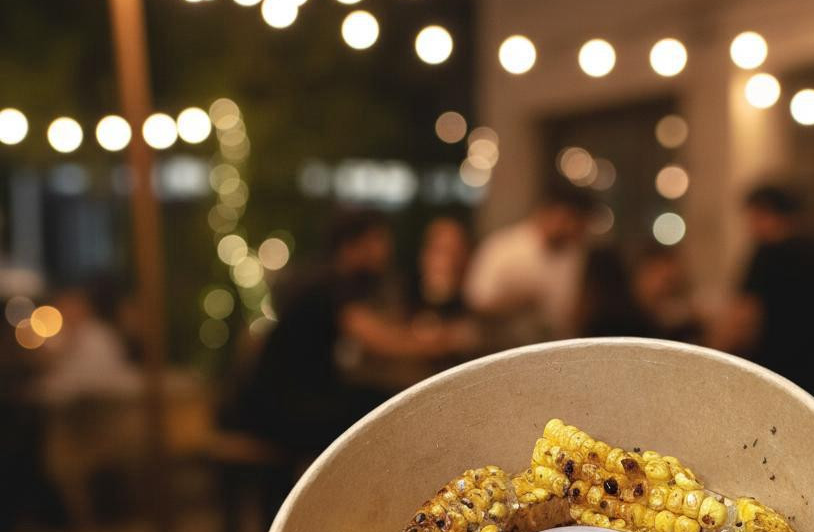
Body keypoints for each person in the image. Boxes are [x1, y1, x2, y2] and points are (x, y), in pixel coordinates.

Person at [222, 210, 473, 456]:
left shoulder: (322, 276)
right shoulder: (333, 284)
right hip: (275, 409)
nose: (385, 252)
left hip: (271, 402)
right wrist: (449, 340)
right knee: (382, 410)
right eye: (378, 241)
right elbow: (383, 341)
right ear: (354, 245)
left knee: (372, 403)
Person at [707, 185, 814, 436]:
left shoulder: (768, 255)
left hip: (784, 387)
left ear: (763, 214)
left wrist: (710, 361)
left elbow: (742, 322)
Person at [463, 190, 595, 341]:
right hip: (504, 344)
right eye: (567, 220)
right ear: (546, 213)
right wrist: (517, 301)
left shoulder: (575, 254)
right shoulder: (503, 246)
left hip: (557, 343)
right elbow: (476, 299)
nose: (571, 229)